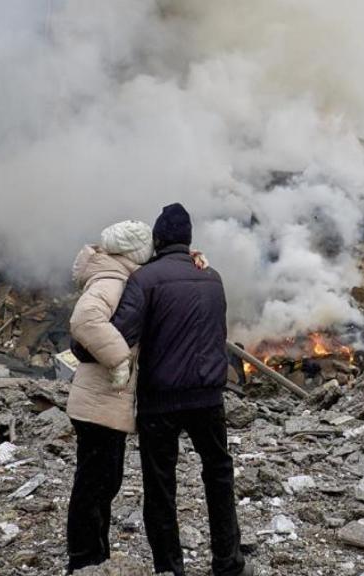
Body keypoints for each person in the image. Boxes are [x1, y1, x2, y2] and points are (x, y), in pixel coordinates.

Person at [113, 203, 252, 576]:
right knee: (219, 472)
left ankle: (169, 568)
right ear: (189, 240)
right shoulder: (212, 277)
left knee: (160, 486)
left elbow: (122, 334)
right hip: (208, 396)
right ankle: (229, 563)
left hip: (160, 400)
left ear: (157, 239)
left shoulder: (144, 280)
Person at [65, 220, 154, 573]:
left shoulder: (116, 276)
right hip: (98, 402)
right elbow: (85, 319)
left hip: (102, 403)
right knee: (95, 484)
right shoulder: (110, 280)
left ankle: (94, 556)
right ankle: (84, 560)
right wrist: (118, 359)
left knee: (103, 481)